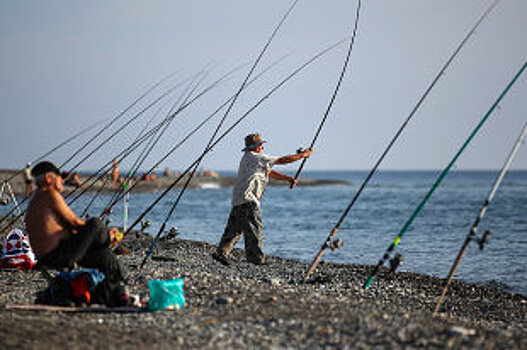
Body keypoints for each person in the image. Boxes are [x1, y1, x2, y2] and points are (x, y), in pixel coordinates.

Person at [25, 161, 128, 302]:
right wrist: (105, 234)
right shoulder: (49, 194)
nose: (63, 180)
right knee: (95, 223)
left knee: (105, 255)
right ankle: (109, 240)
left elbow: (69, 227)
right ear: (49, 178)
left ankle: (115, 292)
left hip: (49, 255)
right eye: (60, 177)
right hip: (58, 255)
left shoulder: (36, 198)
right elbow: (75, 222)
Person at [212, 133, 312, 266]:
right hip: (249, 199)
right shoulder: (256, 157)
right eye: (260, 145)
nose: (262, 148)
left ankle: (221, 253)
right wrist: (302, 155)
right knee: (255, 228)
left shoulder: (248, 158)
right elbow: (282, 160)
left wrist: (288, 179)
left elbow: (269, 172)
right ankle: (256, 259)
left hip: (238, 198)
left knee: (234, 228)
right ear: (255, 147)